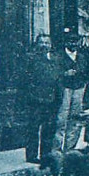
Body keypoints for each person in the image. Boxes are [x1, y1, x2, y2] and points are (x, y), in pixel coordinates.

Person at [24, 35, 62, 164]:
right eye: (42, 42)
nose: (44, 45)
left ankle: (45, 155)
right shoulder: (31, 58)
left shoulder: (55, 59)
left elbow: (58, 78)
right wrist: (32, 94)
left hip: (52, 99)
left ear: (51, 45)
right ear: (37, 44)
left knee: (49, 128)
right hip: (36, 99)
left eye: (47, 43)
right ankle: (32, 155)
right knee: (33, 128)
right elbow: (26, 79)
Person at [52, 28, 88, 153]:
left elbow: (86, 72)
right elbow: (54, 73)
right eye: (70, 41)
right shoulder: (59, 56)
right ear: (65, 43)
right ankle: (57, 148)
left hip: (78, 88)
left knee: (75, 117)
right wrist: (64, 74)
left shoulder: (82, 57)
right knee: (62, 118)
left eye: (75, 41)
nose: (73, 44)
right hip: (65, 88)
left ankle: (70, 147)